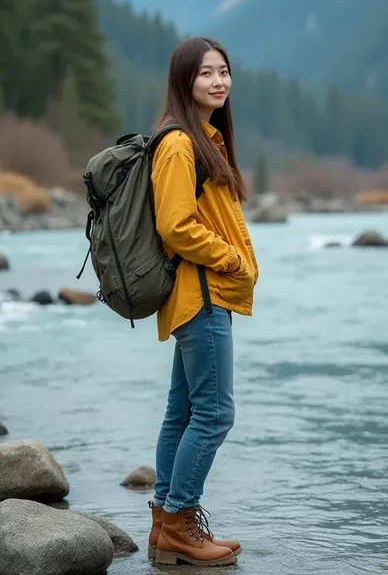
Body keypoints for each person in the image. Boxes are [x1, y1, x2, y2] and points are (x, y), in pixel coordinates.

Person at [147, 37, 259, 567]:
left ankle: (164, 523)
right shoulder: (179, 145)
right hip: (203, 294)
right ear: (184, 81)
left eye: (225, 72)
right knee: (215, 413)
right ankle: (179, 522)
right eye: (206, 73)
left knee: (183, 411)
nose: (219, 82)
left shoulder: (202, 138)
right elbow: (174, 225)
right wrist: (231, 259)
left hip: (197, 293)